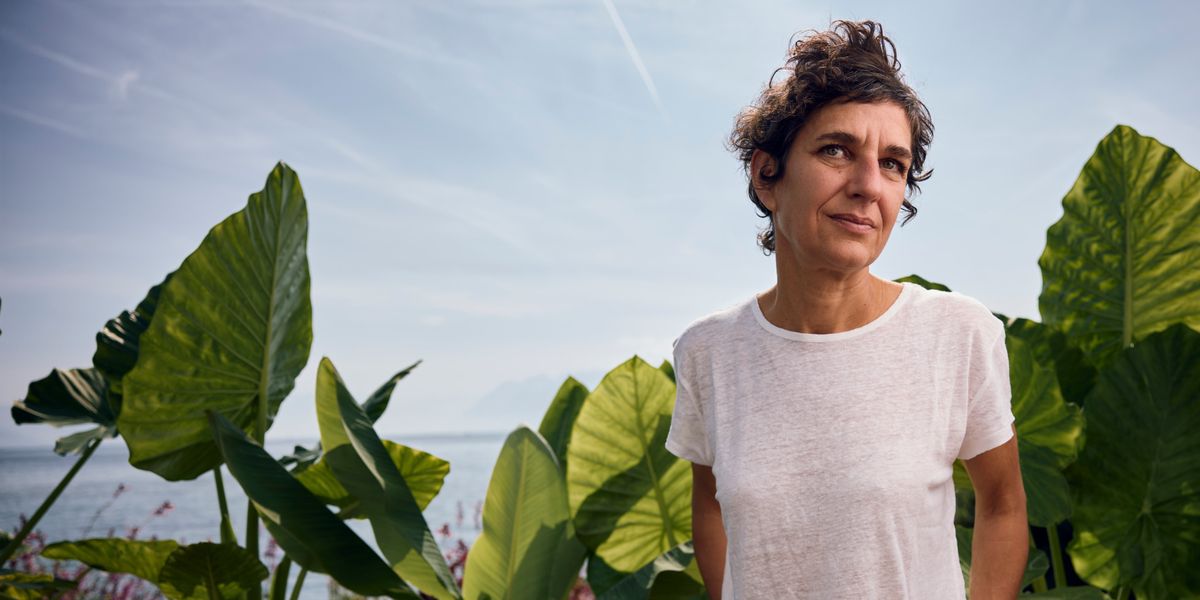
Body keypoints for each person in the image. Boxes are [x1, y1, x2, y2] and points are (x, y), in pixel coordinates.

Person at [663, 20, 1028, 599]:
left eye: (893, 164)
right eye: (837, 150)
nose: (868, 186)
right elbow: (710, 504)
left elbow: (1004, 504)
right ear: (767, 175)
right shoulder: (708, 351)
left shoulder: (957, 333)